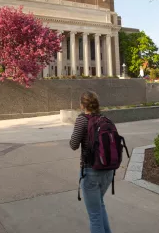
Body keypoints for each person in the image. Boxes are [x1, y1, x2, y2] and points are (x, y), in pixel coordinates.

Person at [70, 91, 114, 233]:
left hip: (91, 172)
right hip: (108, 171)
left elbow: (74, 144)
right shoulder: (105, 118)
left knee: (95, 216)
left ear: (82, 105)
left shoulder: (82, 120)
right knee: (100, 207)